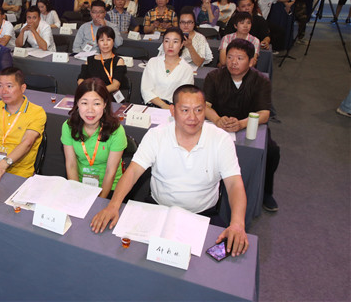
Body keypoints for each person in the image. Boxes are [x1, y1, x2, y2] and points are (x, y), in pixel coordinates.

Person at [91, 84, 249, 258]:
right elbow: (133, 172)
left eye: (198, 110)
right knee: (131, 256)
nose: (193, 117)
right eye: (185, 110)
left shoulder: (220, 139)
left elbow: (234, 184)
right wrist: (113, 205)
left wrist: (237, 223)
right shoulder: (156, 135)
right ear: (172, 111)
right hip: (158, 210)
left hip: (203, 216)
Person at [204, 38, 281, 212]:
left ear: (251, 61)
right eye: (230, 57)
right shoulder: (214, 76)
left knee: (272, 151)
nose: (233, 62)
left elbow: (264, 113)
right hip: (219, 123)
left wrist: (241, 124)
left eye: (240, 58)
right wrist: (217, 119)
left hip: (249, 124)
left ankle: (266, 191)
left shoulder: (261, 80)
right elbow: (205, 106)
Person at [62, 78, 127, 198]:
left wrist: (99, 201)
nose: (90, 110)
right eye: (84, 103)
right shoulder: (68, 126)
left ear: (105, 104)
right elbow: (71, 165)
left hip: (110, 187)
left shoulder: (116, 130)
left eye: (96, 104)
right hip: (80, 184)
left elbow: (110, 172)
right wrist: (76, 194)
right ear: (77, 103)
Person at [141, 27, 194, 108]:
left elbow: (185, 96)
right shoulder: (153, 62)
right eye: (167, 41)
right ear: (163, 43)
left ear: (181, 45)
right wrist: (163, 105)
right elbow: (145, 90)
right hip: (152, 106)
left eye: (175, 42)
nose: (170, 45)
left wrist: (170, 108)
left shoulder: (187, 69)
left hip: (174, 108)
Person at [77, 26, 128, 102]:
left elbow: (115, 85)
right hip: (91, 97)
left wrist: (96, 93)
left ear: (113, 42)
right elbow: (81, 79)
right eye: (102, 40)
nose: (105, 43)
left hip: (110, 98)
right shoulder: (90, 60)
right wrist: (88, 91)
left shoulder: (118, 61)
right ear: (97, 42)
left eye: (108, 40)